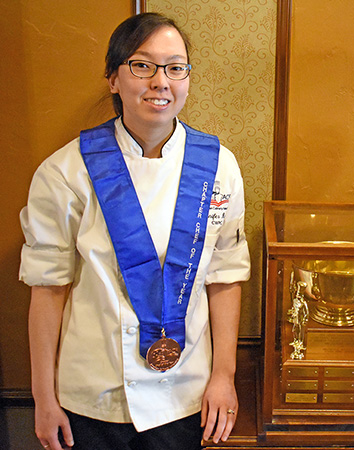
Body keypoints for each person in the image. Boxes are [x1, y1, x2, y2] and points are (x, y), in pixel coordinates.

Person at [20, 13, 250, 450]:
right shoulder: (66, 171)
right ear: (113, 79)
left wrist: (224, 375)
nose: (160, 81)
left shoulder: (219, 166)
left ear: (186, 78)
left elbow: (225, 276)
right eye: (142, 65)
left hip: (187, 393)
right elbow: (47, 289)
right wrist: (43, 397)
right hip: (91, 395)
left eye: (175, 67)